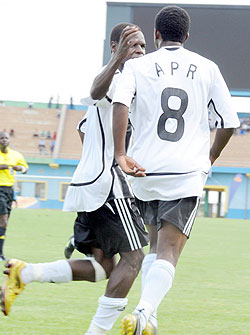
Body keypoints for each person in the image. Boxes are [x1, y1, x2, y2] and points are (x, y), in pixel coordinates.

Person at [0, 23, 151, 335]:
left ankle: (25, 275)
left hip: (91, 184)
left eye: (142, 47)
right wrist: (110, 160)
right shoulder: (115, 77)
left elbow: (83, 127)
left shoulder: (130, 85)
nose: (138, 51)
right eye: (131, 45)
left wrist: (100, 153)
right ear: (115, 47)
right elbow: (96, 90)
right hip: (108, 184)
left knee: (102, 268)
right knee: (134, 258)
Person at [112, 6, 240, 334]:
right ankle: (144, 310)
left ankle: (148, 322)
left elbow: (120, 104)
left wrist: (121, 153)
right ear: (186, 36)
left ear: (156, 35)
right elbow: (229, 122)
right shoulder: (208, 68)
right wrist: (209, 158)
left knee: (154, 247)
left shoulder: (137, 66)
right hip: (185, 173)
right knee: (169, 251)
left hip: (143, 173)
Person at [0, 132, 28, 261]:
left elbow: (25, 169)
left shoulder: (15, 155)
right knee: (3, 220)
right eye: (2, 138)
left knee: (4, 223)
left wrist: (19, 168)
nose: (4, 140)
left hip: (9, 191)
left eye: (6, 138)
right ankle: (0, 254)